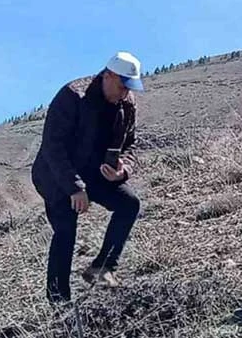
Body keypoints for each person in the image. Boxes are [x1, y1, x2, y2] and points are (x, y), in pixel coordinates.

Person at [31, 51, 144, 302]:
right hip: (57, 176)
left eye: (129, 87)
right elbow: (53, 146)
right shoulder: (72, 96)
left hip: (97, 173)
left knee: (129, 204)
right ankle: (59, 302)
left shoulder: (127, 103)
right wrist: (74, 187)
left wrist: (122, 170)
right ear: (108, 75)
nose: (125, 92)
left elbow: (131, 145)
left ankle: (102, 267)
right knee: (65, 230)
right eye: (122, 85)